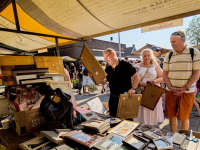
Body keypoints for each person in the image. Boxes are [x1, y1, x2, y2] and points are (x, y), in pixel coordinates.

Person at [163, 30, 200, 132]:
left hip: (187, 91)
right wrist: (170, 87)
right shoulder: (169, 55)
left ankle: (182, 139)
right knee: (172, 116)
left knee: (184, 117)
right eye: (171, 42)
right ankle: (174, 137)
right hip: (171, 91)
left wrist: (185, 88)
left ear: (182, 40)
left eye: (174, 41)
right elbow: (164, 74)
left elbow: (196, 73)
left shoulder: (194, 53)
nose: (171, 44)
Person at [89, 48, 140, 117]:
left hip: (125, 98)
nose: (106, 60)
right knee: (113, 121)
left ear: (113, 54)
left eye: (107, 57)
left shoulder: (125, 65)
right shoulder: (108, 69)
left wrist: (133, 88)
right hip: (113, 99)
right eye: (105, 58)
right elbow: (103, 82)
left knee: (126, 122)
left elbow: (137, 77)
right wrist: (93, 77)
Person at [133, 49, 164, 125]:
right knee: (141, 111)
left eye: (148, 56)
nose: (146, 57)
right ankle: (141, 127)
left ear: (151, 56)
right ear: (142, 57)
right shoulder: (137, 66)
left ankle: (151, 127)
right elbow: (132, 79)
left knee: (151, 109)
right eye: (145, 56)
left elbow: (163, 77)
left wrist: (155, 81)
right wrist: (140, 82)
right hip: (141, 91)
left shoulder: (155, 66)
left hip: (152, 92)